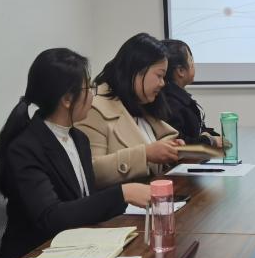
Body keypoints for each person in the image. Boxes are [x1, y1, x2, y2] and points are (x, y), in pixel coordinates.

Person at [0, 49, 154, 258]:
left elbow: (82, 201)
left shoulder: (79, 139)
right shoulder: (24, 148)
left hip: (74, 249)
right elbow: (51, 217)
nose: (92, 96)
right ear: (67, 99)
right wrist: (122, 193)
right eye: (88, 89)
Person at [78, 33, 184, 186]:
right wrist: (146, 154)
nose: (162, 83)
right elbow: (91, 171)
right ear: (137, 71)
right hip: (123, 200)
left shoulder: (141, 104)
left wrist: (170, 150)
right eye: (159, 75)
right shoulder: (94, 108)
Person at [159, 39, 221, 148]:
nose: (193, 64)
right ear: (180, 71)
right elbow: (180, 142)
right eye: (191, 60)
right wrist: (210, 141)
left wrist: (212, 136)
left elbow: (198, 129)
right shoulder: (171, 103)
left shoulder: (178, 97)